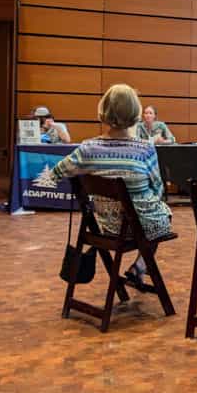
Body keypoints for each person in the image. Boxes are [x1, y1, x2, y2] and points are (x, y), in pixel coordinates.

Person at [50, 84, 172, 285]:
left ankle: (139, 267)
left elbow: (57, 173)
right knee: (164, 215)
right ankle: (140, 266)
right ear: (136, 111)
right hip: (137, 227)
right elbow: (158, 190)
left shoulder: (88, 148)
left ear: (104, 109)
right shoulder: (145, 149)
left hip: (101, 226)